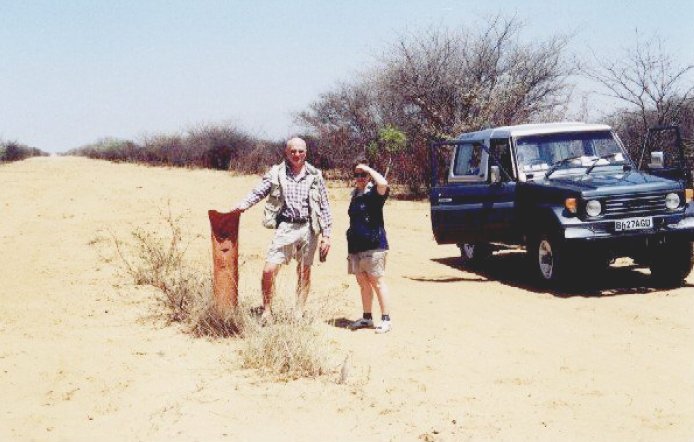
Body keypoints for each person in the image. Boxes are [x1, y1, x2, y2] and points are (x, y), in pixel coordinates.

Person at [231, 137, 332, 320]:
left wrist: (327, 235)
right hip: (286, 227)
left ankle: (298, 312)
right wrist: (241, 206)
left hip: (309, 227)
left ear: (306, 153)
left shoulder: (315, 174)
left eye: (300, 151)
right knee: (269, 269)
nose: (297, 154)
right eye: (293, 151)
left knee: (304, 271)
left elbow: (324, 206)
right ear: (286, 152)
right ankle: (267, 310)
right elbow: (259, 191)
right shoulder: (277, 172)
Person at [347, 159, 392, 334]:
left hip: (374, 246)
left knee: (377, 282)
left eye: (363, 175)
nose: (360, 178)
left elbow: (383, 183)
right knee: (363, 283)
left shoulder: (375, 193)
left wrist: (368, 168)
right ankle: (367, 317)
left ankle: (386, 319)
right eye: (357, 175)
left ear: (369, 176)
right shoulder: (355, 195)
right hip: (356, 247)